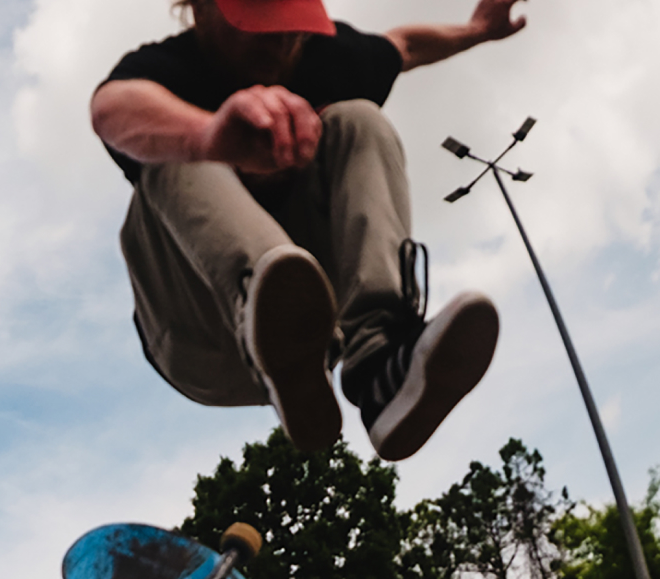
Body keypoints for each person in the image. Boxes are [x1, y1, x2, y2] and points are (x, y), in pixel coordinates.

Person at [92, 0, 526, 460]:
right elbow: (110, 108)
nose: (281, 43)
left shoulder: (326, 57)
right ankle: (269, 309)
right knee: (173, 158)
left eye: (291, 28)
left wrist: (476, 30)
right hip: (194, 333)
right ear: (200, 9)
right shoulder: (164, 68)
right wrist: (206, 135)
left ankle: (380, 365)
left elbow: (405, 45)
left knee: (360, 120)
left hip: (316, 333)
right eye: (259, 27)